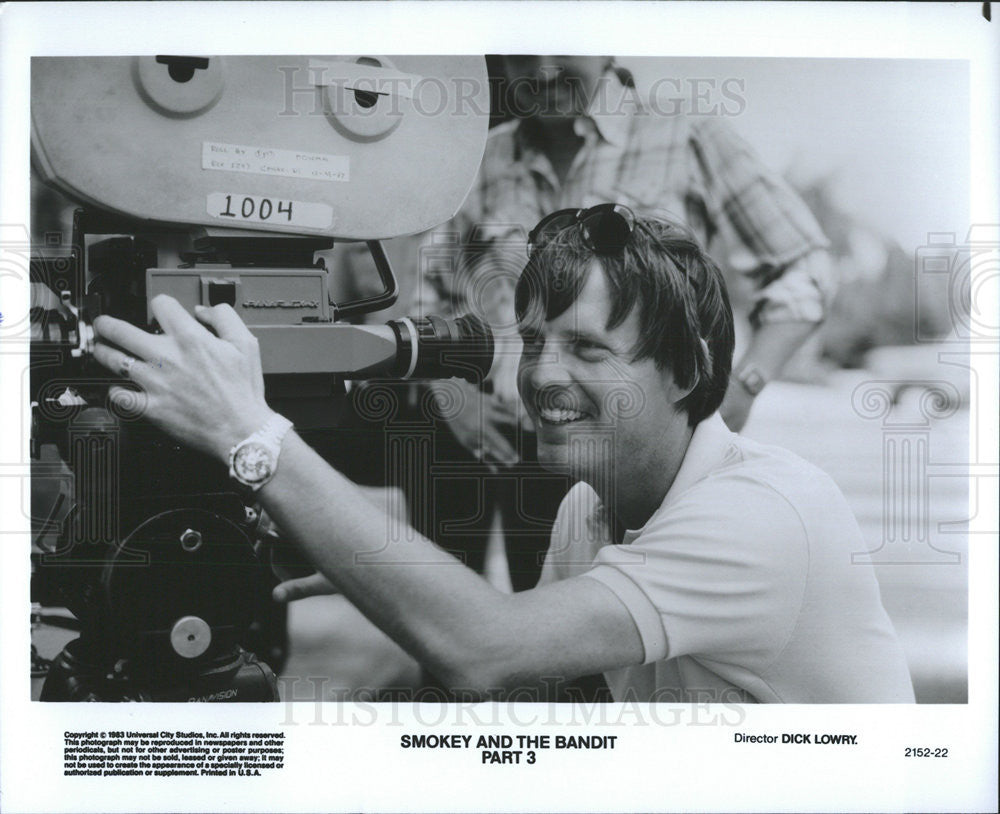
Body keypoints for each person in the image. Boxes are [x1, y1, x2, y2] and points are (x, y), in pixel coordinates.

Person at [92, 207, 913, 703]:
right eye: (534, 342)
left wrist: (250, 432)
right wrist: (373, 569)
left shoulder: (757, 513)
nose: (544, 374)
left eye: (590, 351)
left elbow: (486, 648)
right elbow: (540, 682)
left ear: (688, 371)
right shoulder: (589, 506)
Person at [407, 55, 836, 592]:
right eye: (520, 53)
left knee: (633, 643)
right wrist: (452, 393)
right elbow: (427, 297)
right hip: (520, 451)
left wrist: (745, 383)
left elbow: (803, 266)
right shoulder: (483, 157)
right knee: (527, 638)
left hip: (636, 458)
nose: (540, 73)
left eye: (558, 48)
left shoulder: (684, 133)